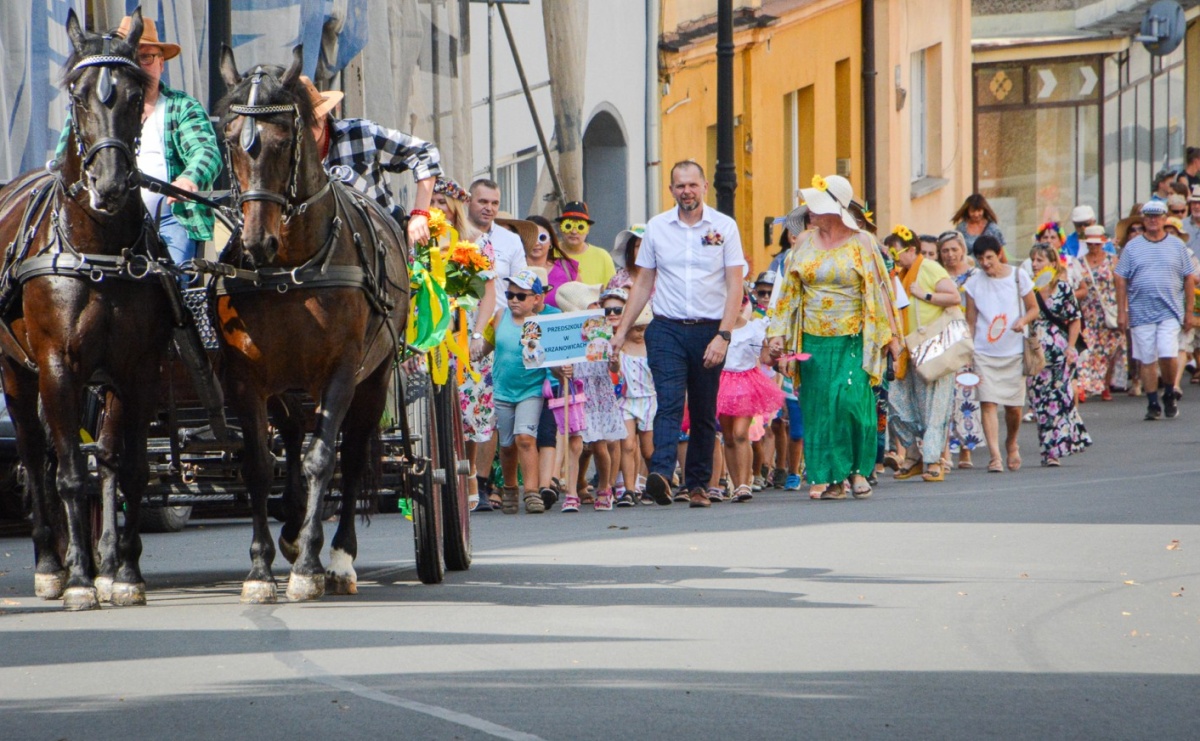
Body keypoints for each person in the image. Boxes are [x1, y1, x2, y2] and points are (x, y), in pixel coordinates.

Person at [613, 160, 748, 509]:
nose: (686, 191)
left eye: (692, 184)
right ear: (671, 190)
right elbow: (643, 282)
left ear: (704, 186)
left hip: (709, 329)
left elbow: (735, 283)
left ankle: (698, 484)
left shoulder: (724, 227)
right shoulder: (657, 228)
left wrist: (724, 335)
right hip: (668, 327)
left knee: (703, 411)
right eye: (679, 185)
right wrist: (621, 330)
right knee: (669, 401)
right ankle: (660, 474)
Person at [765, 174, 899, 501]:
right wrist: (777, 336)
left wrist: (892, 336)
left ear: (836, 210)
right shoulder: (803, 244)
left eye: (817, 206)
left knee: (852, 402)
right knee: (821, 408)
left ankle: (856, 469)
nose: (810, 212)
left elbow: (881, 289)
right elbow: (788, 294)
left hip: (854, 336)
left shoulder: (863, 243)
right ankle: (834, 479)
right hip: (813, 339)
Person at [57, 15, 222, 264]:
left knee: (176, 284)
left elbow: (206, 151)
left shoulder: (182, 106)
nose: (141, 65)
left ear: (162, 63)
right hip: (99, 222)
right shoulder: (91, 109)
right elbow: (62, 159)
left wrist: (190, 178)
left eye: (148, 57)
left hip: (170, 219)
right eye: (135, 58)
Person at [301, 76, 439, 248]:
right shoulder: (286, 155)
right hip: (322, 253)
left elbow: (424, 152)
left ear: (322, 117)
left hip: (381, 245)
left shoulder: (361, 133)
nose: (302, 136)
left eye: (307, 126)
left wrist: (420, 214)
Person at [461, 179, 527, 509]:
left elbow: (523, 287)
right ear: (469, 201)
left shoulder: (510, 241)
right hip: (455, 327)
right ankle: (461, 478)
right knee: (461, 408)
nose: (488, 208)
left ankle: (483, 483)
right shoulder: (454, 234)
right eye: (482, 201)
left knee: (490, 409)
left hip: (495, 329)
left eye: (494, 203)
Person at [886, 225, 961, 483]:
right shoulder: (900, 274)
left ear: (912, 250)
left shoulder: (929, 268)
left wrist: (924, 294)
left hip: (933, 344)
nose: (893, 258)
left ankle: (932, 460)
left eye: (896, 253)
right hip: (907, 348)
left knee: (934, 406)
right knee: (898, 402)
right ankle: (914, 453)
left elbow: (954, 297)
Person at [1115, 200, 1199, 420]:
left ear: (1164, 219)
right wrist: (1122, 311)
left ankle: (1170, 390)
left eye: (1157, 216)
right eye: (1149, 216)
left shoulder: (1177, 246)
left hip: (1169, 310)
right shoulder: (1132, 247)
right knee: (1147, 358)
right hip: (1141, 311)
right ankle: (1153, 401)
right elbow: (1121, 277)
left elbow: (1189, 278)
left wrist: (1188, 312)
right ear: (1144, 219)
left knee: (1167, 351)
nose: (1153, 220)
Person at [486, 269, 560, 513]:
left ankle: (531, 491)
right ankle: (509, 488)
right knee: (506, 445)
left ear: (536, 299)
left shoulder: (542, 323)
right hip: (503, 390)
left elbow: (557, 356)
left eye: (521, 296)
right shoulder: (500, 316)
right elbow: (485, 345)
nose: (514, 300)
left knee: (525, 439)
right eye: (510, 294)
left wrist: (563, 371)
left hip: (531, 389)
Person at [964, 235, 1039, 473]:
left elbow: (1034, 307)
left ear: (999, 254)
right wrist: (968, 350)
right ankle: (995, 456)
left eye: (989, 257)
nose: (985, 263)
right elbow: (971, 320)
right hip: (984, 352)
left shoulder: (1018, 276)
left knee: (1014, 408)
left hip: (1014, 350)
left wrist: (1022, 321)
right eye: (980, 259)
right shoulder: (974, 282)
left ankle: (1011, 441)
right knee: (988, 403)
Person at [555, 282, 624, 511]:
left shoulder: (600, 329)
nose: (598, 307)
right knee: (575, 444)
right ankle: (571, 493)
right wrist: (561, 371)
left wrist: (614, 362)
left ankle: (605, 487)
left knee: (599, 445)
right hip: (576, 390)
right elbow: (556, 365)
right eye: (593, 303)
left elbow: (613, 368)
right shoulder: (564, 332)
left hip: (598, 391)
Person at [1027, 244, 1092, 466]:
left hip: (1059, 349)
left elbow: (1075, 319)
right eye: (1033, 260)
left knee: (1058, 398)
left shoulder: (1063, 288)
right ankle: (1058, 443)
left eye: (1040, 260)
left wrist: (1071, 347)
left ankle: (1054, 450)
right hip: (1035, 351)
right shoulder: (1028, 288)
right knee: (1039, 402)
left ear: (1053, 263)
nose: (1035, 264)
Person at [717, 291, 784, 503]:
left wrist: (773, 353)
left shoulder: (752, 328)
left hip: (745, 384)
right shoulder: (714, 330)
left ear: (745, 303)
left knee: (740, 433)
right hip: (721, 384)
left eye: (740, 300)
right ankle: (736, 484)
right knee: (727, 436)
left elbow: (765, 358)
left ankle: (745, 483)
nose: (734, 305)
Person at [936, 231, 982, 468]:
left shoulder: (975, 276)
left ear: (962, 250)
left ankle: (967, 449)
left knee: (966, 397)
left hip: (966, 340)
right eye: (945, 251)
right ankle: (946, 450)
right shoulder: (938, 276)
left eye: (954, 249)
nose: (950, 255)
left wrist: (971, 343)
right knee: (945, 397)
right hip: (943, 341)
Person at [613, 304, 656, 505]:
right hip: (626, 400)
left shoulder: (652, 347)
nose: (640, 333)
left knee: (648, 449)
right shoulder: (620, 348)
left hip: (649, 400)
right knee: (627, 445)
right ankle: (629, 489)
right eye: (636, 328)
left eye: (644, 329)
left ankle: (653, 482)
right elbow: (614, 370)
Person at [1077, 225, 1125, 402]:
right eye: (1090, 243)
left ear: (1103, 243)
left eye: (1097, 243)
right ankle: (1085, 386)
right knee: (1088, 349)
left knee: (1108, 351)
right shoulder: (1080, 262)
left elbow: (1121, 286)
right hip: (1088, 311)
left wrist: (1122, 311)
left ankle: (1105, 385)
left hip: (1109, 310)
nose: (1094, 247)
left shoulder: (1113, 261)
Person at [499, 215, 578, 309]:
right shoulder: (512, 268)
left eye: (542, 238)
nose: (536, 243)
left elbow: (581, 301)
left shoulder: (567, 267)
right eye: (532, 237)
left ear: (551, 242)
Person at [555, 201, 616, 286]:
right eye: (568, 226)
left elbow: (612, 291)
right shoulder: (549, 253)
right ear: (560, 227)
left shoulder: (603, 257)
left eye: (580, 227)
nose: (574, 231)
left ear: (588, 229)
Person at [608, 225, 646, 291]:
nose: (642, 250)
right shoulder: (618, 279)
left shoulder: (663, 277)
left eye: (646, 246)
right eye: (638, 246)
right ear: (630, 250)